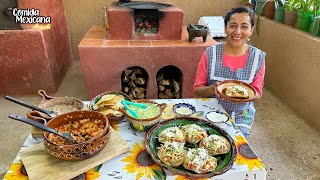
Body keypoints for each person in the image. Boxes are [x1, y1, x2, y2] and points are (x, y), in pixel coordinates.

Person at [193, 6, 266, 138]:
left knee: (236, 146)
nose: (238, 32)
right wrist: (212, 89)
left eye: (244, 26)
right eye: (232, 26)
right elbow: (198, 90)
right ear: (225, 28)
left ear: (251, 30)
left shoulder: (258, 57)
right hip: (211, 111)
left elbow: (257, 93)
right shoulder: (210, 53)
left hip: (241, 115)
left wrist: (244, 94)